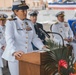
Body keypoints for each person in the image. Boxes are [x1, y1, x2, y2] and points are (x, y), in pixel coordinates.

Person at [2, 1, 46, 75]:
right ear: (16, 12)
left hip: (28, 55)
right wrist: (14, 51)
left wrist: (43, 46)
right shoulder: (11, 23)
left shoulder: (29, 23)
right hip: (15, 57)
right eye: (22, 11)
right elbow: (9, 39)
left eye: (26, 10)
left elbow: (34, 38)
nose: (25, 12)